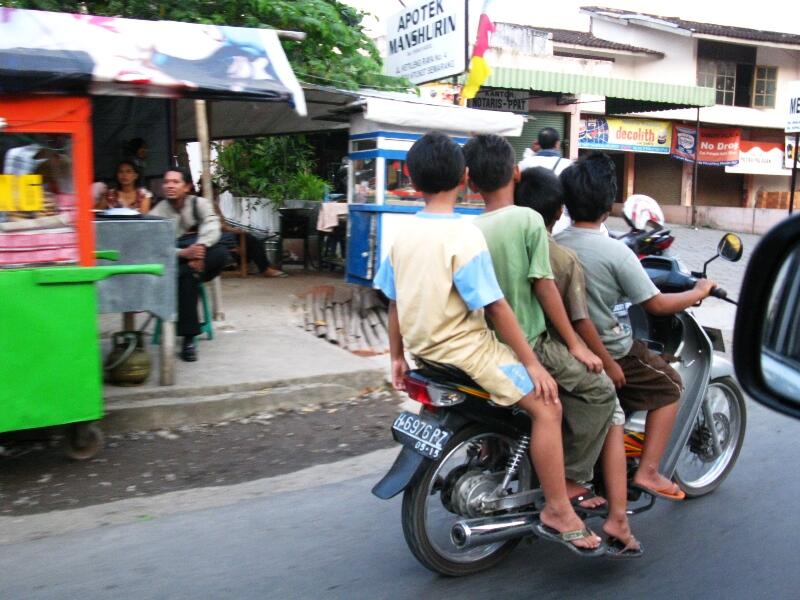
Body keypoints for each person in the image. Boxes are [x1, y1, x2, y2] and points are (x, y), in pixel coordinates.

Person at [374, 132, 602, 556]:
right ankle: (558, 509)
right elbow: (496, 308)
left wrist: (397, 357)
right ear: (464, 178)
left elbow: (394, 304)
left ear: (410, 177)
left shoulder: (402, 237)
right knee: (547, 406)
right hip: (470, 353)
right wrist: (532, 364)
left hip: (426, 354)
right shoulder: (463, 237)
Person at [463, 135, 615, 520]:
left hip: (487, 346)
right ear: (515, 173)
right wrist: (577, 346)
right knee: (600, 391)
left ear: (471, 183)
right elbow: (544, 286)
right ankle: (572, 479)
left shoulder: (468, 228)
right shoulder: (528, 219)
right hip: (531, 342)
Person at [557, 153, 717, 502]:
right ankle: (648, 471)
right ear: (607, 205)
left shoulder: (554, 243)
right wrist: (697, 292)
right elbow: (656, 304)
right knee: (670, 384)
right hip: (609, 350)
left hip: (562, 346)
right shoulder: (615, 252)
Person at [515, 165, 642, 558]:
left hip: (506, 346)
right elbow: (578, 319)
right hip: (547, 349)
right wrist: (596, 357)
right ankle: (598, 501)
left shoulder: (497, 237)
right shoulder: (563, 258)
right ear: (558, 212)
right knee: (607, 401)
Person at [149, 168, 230, 362]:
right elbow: (154, 245)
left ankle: (192, 267)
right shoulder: (158, 212)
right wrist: (184, 253)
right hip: (176, 259)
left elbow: (212, 225)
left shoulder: (199, 203)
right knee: (187, 275)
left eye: (175, 182)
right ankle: (188, 339)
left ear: (186, 187)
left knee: (221, 252)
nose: (169, 185)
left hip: (201, 253)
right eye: (167, 182)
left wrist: (200, 247)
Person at [518, 127, 573, 234]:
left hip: (529, 223)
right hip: (560, 226)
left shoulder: (525, 163)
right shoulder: (569, 165)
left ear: (539, 143)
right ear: (557, 144)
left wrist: (530, 151)